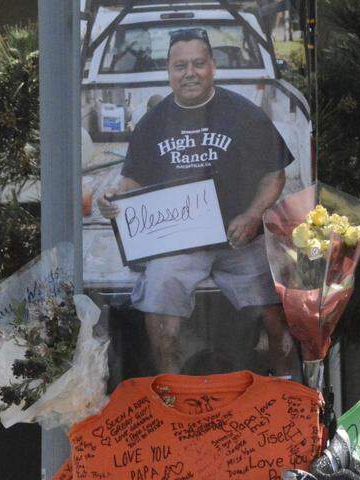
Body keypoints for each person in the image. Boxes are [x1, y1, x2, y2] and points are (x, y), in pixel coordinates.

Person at [97, 28, 294, 374]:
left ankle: (283, 386)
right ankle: (172, 391)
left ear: (213, 67)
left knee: (274, 314)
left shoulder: (245, 115)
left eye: (198, 64)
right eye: (180, 66)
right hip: (178, 245)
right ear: (169, 72)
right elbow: (131, 183)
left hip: (240, 240)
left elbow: (275, 175)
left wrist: (251, 215)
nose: (189, 73)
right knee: (159, 309)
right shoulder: (150, 125)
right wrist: (114, 200)